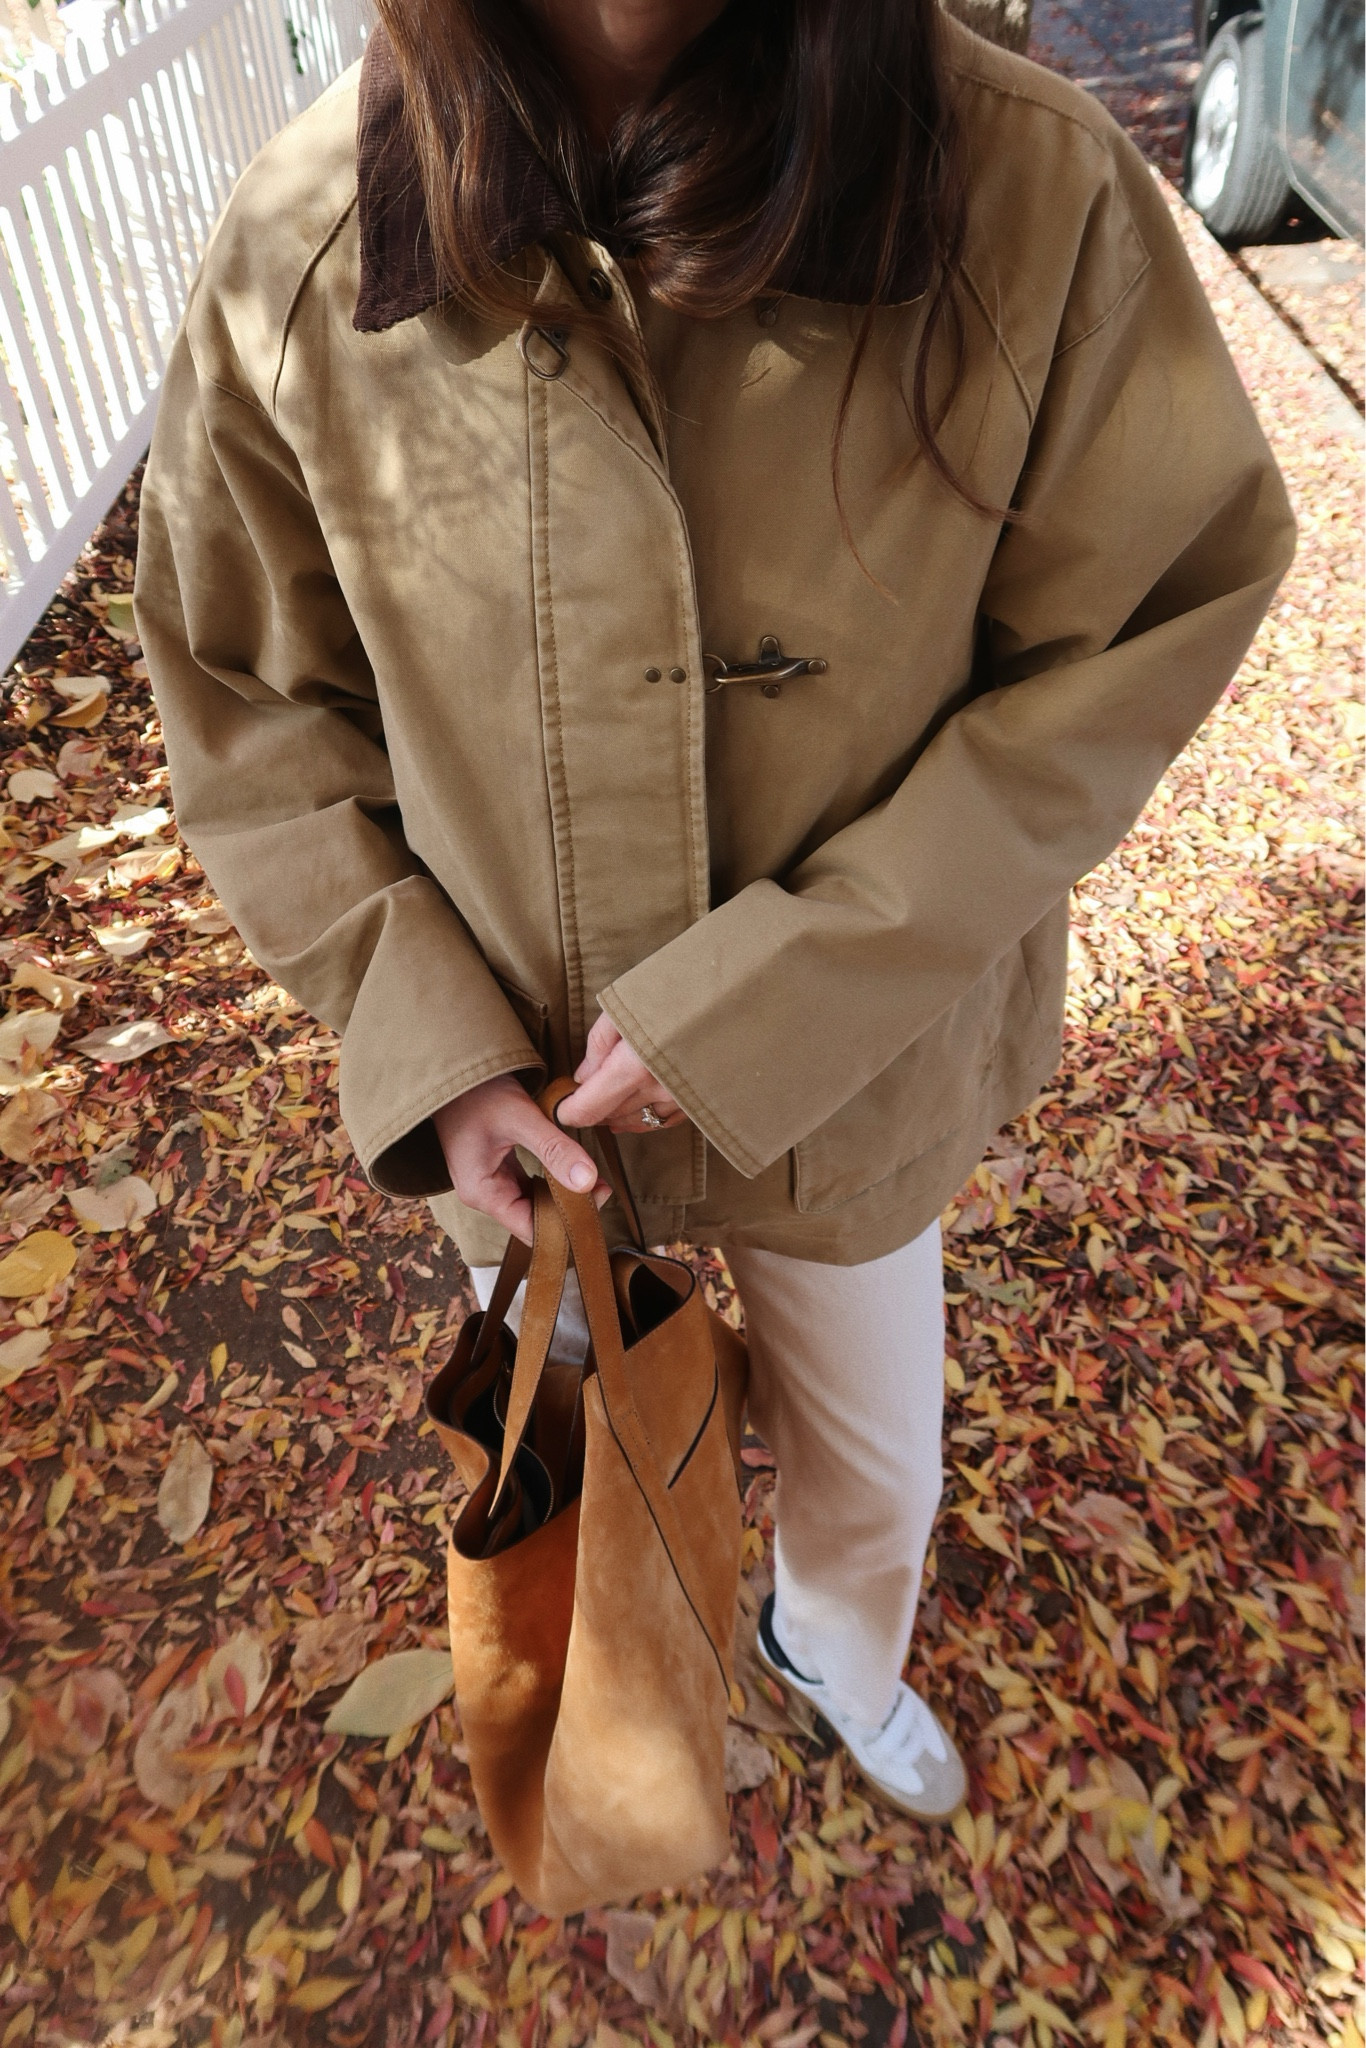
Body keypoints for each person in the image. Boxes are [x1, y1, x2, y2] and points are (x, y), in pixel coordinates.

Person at [134, 0, 1294, 1823]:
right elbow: (246, 695)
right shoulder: (309, 244)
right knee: (579, 1460)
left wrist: (791, 993)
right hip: (520, 1098)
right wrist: (426, 1037)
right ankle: (623, 1718)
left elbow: (1145, 607)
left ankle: (832, 1651)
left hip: (857, 1075)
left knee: (875, 1463)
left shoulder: (1022, 188)